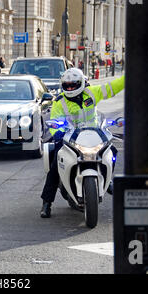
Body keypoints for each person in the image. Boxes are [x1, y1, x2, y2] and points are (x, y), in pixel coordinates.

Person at [40, 68, 125, 218]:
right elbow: (54, 119)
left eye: (74, 85)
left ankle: (107, 179)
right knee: (54, 165)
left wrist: (129, 76)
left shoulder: (92, 92)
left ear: (82, 83)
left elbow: (112, 87)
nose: (71, 88)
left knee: (111, 151)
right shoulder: (60, 102)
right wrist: (57, 132)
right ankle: (47, 203)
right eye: (67, 85)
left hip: (93, 134)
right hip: (69, 137)